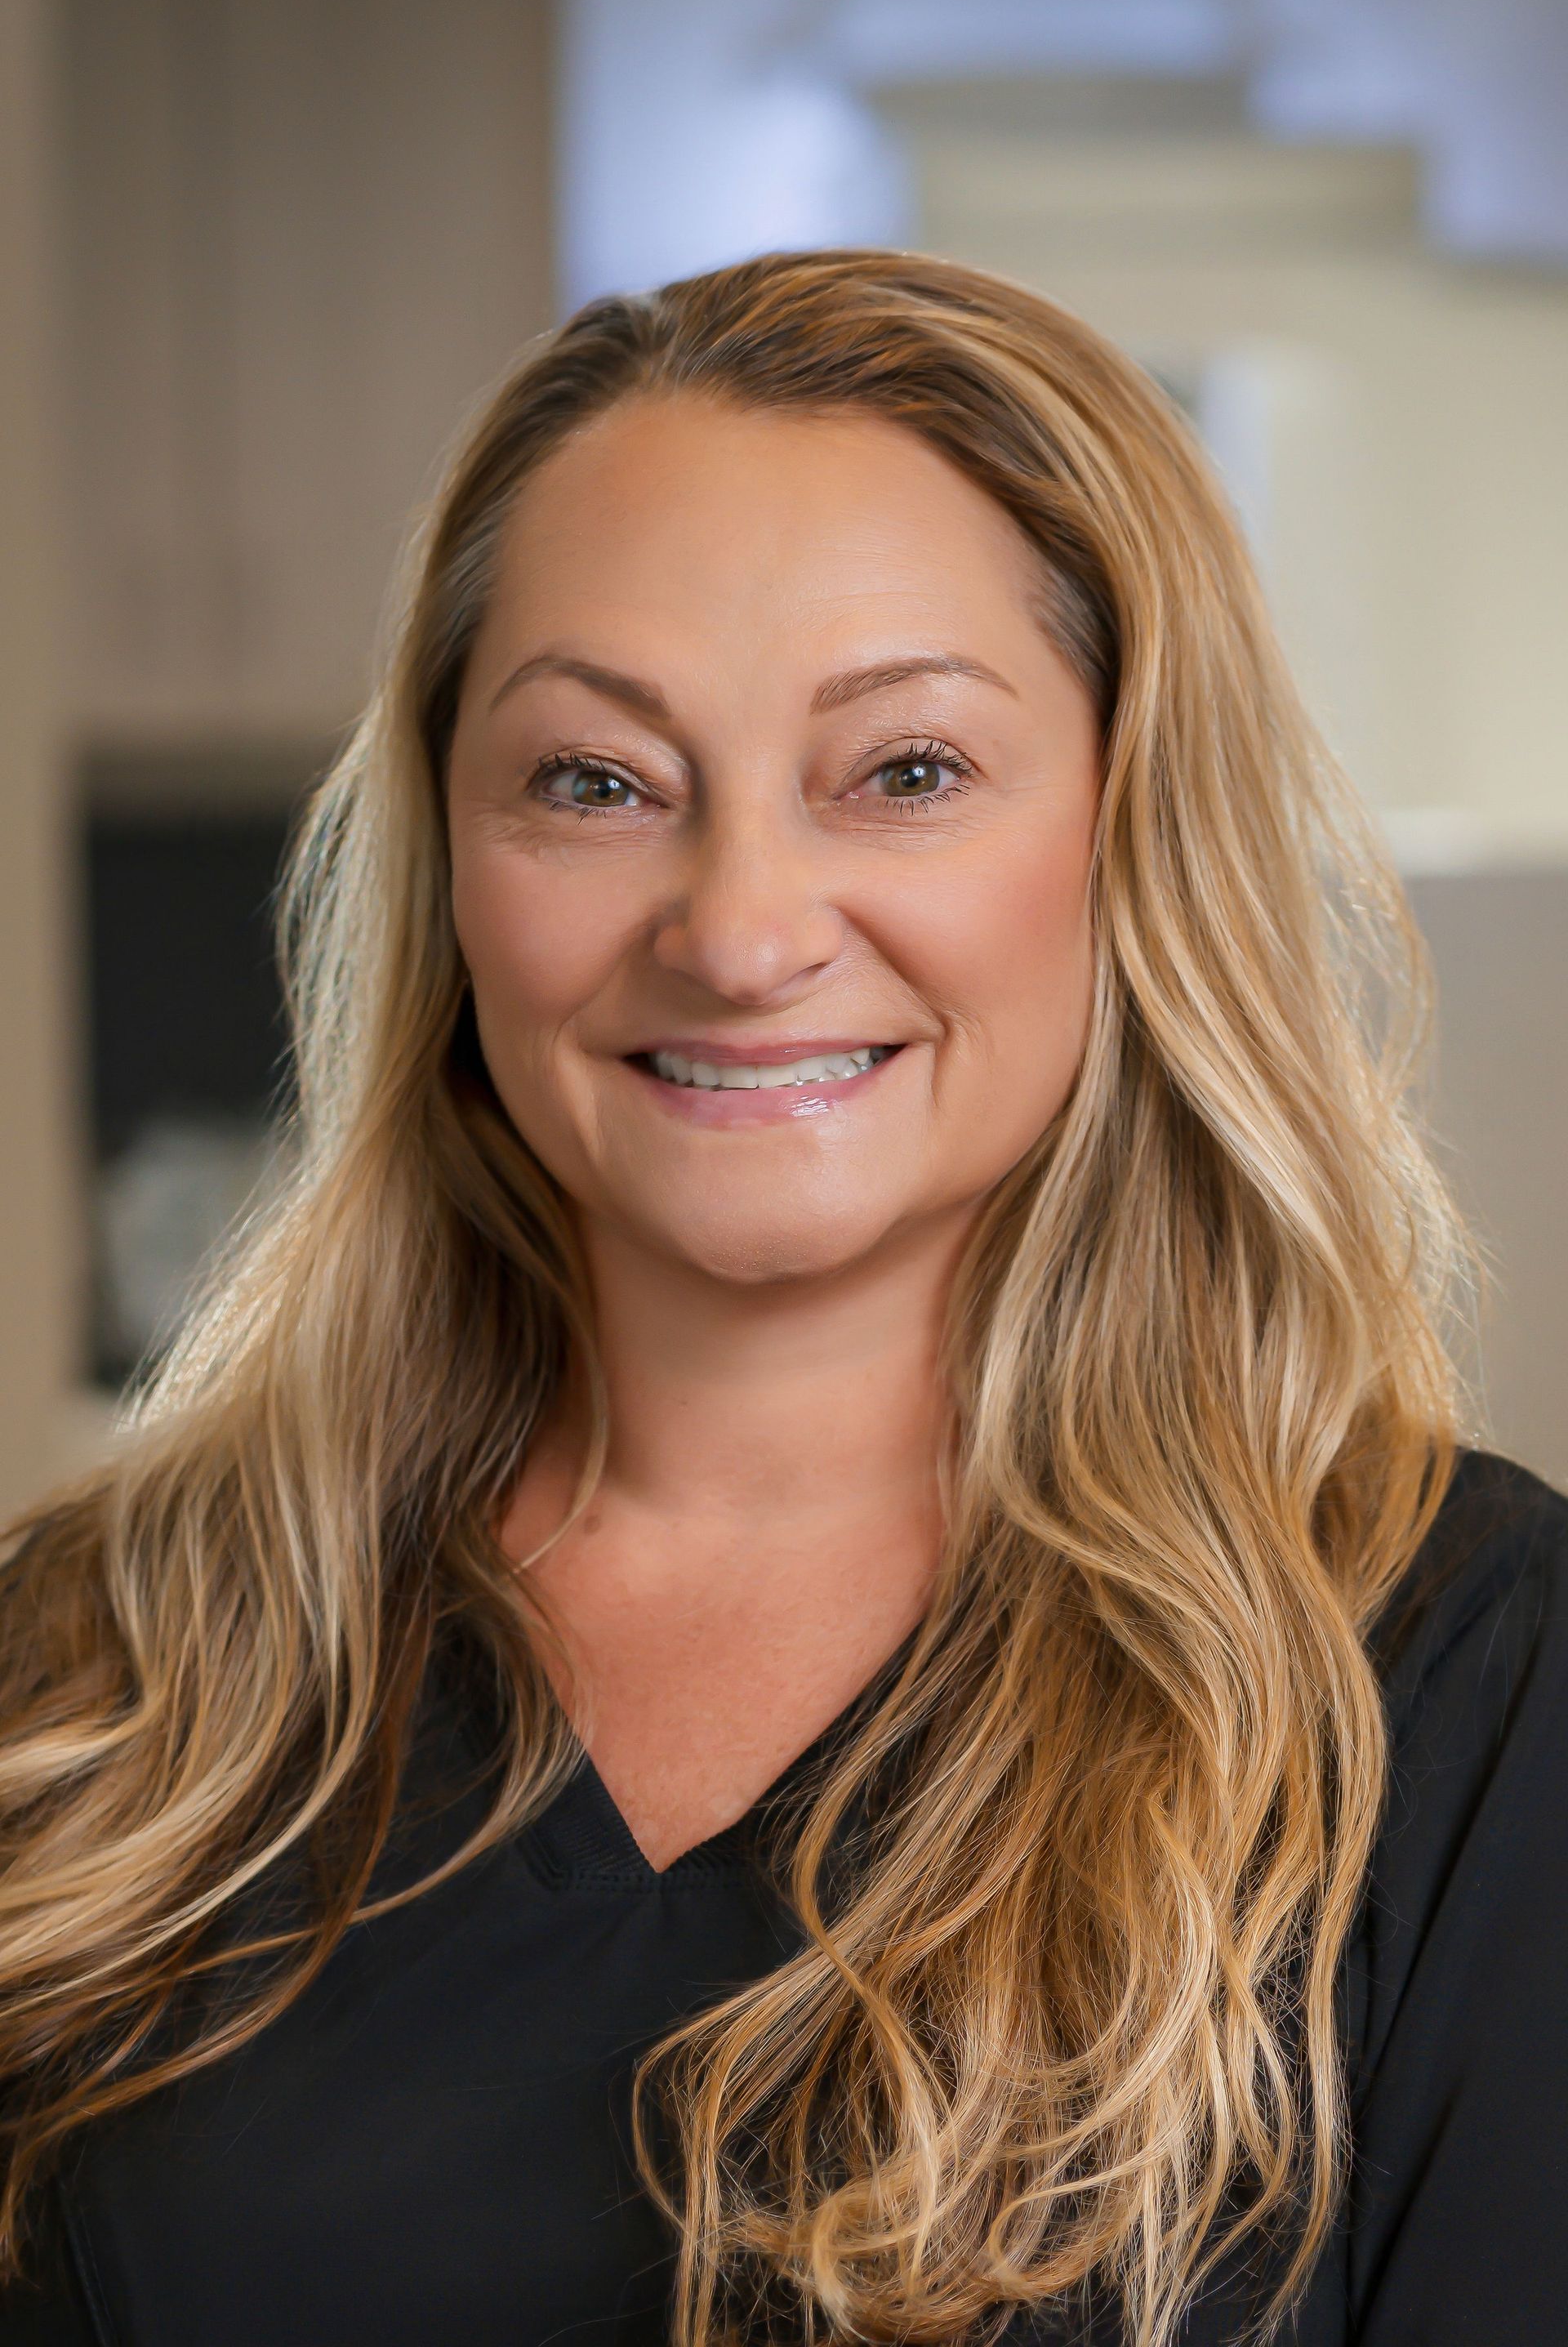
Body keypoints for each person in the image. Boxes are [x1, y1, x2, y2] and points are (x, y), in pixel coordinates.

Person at [1, 247, 1564, 2347]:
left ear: (1130, 833)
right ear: (454, 869)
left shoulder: (1459, 1692)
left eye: (905, 771)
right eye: (596, 781)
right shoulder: (87, 1698)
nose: (740, 932)